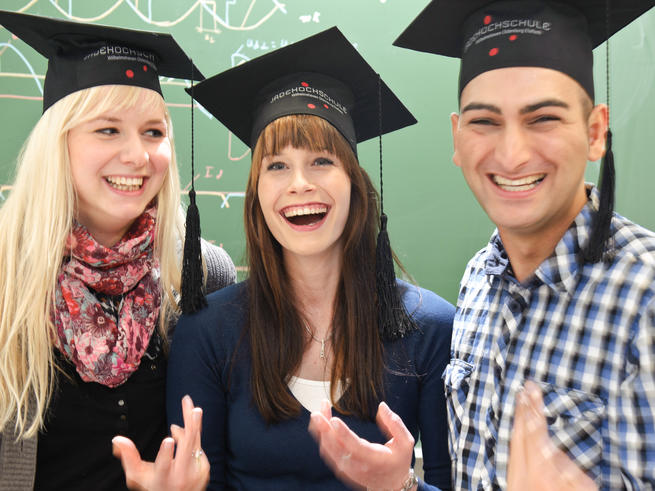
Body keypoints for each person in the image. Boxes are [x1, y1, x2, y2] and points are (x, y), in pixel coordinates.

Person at [312, 0, 655, 489]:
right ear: (457, 137)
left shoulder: (645, 300)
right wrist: (402, 485)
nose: (512, 154)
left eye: (543, 119)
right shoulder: (479, 280)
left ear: (596, 132)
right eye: (484, 122)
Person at [166, 27, 454, 491]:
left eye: (322, 160)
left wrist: (402, 487)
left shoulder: (430, 329)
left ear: (354, 184)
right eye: (276, 166)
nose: (298, 183)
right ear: (256, 193)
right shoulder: (207, 333)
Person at [0, 10, 235, 491]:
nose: (137, 155)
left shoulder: (199, 274)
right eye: (108, 129)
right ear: (57, 142)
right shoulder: (5, 273)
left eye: (153, 131)